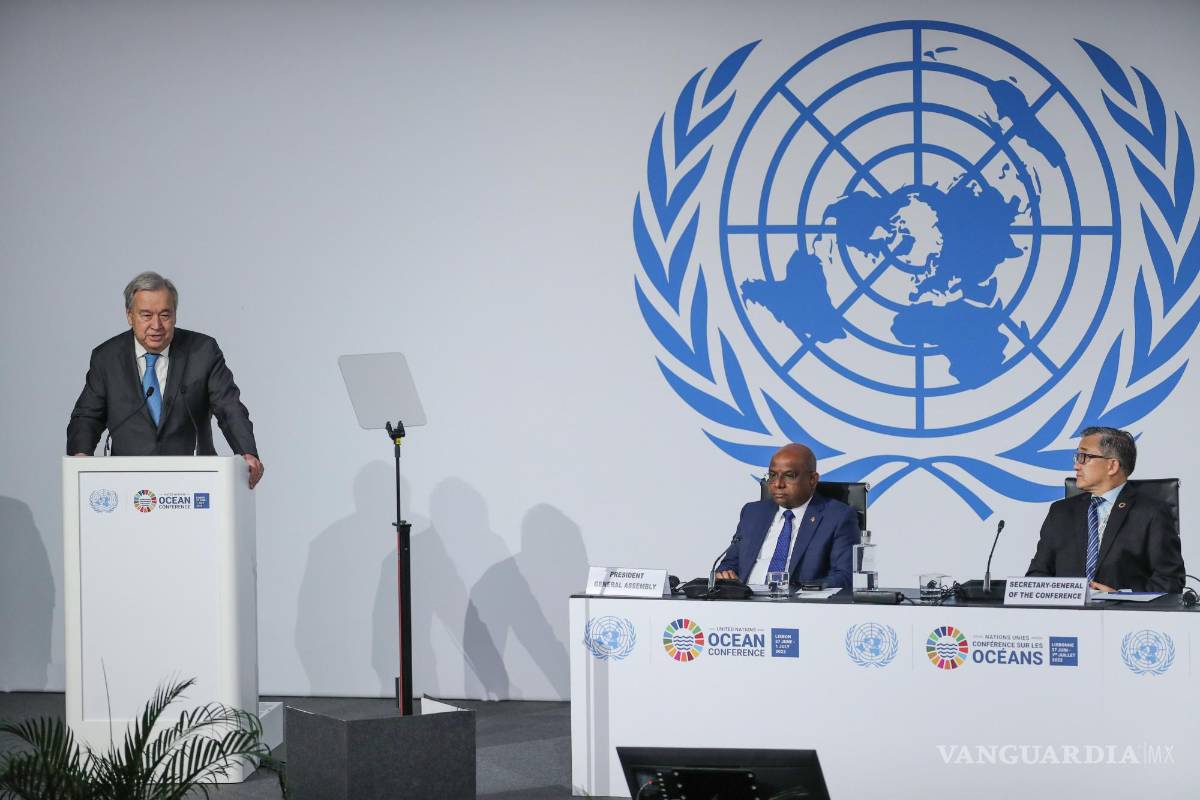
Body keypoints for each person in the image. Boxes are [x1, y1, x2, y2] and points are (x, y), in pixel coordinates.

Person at [66, 272, 264, 489]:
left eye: (165, 315)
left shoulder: (202, 351)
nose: (156, 325)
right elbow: (87, 416)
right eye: (146, 315)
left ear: (175, 315)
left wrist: (246, 452)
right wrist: (80, 455)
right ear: (129, 316)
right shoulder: (107, 358)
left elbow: (229, 407)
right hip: (127, 484)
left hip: (194, 482)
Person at [1025, 426, 1182, 592]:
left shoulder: (1152, 513)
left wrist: (1121, 596)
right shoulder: (1060, 512)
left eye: (1084, 457)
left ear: (1112, 466)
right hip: (1065, 608)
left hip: (1124, 609)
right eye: (1077, 457)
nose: (1076, 465)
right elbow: (1037, 574)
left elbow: (1170, 582)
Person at [715, 443, 859, 590]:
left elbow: (845, 576)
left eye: (789, 476)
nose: (778, 484)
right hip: (746, 598)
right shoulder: (752, 513)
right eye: (772, 475)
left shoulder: (837, 517)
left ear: (812, 479)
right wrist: (725, 575)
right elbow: (729, 564)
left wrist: (798, 589)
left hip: (799, 601)